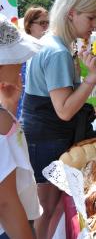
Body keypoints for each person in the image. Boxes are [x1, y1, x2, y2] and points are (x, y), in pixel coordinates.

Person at [22, 0, 96, 239]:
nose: (94, 25)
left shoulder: (49, 43)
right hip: (47, 138)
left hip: (41, 135)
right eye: (90, 18)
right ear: (72, 14)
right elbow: (65, 110)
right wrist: (91, 78)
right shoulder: (57, 52)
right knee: (46, 210)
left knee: (47, 208)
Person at [0, 15, 42, 239]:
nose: (20, 63)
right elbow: (5, 203)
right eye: (15, 59)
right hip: (10, 228)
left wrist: (8, 104)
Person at [16, 7, 49, 119]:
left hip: (43, 107)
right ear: (29, 25)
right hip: (25, 107)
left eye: (48, 23)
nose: (46, 26)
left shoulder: (48, 48)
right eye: (42, 23)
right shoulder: (21, 50)